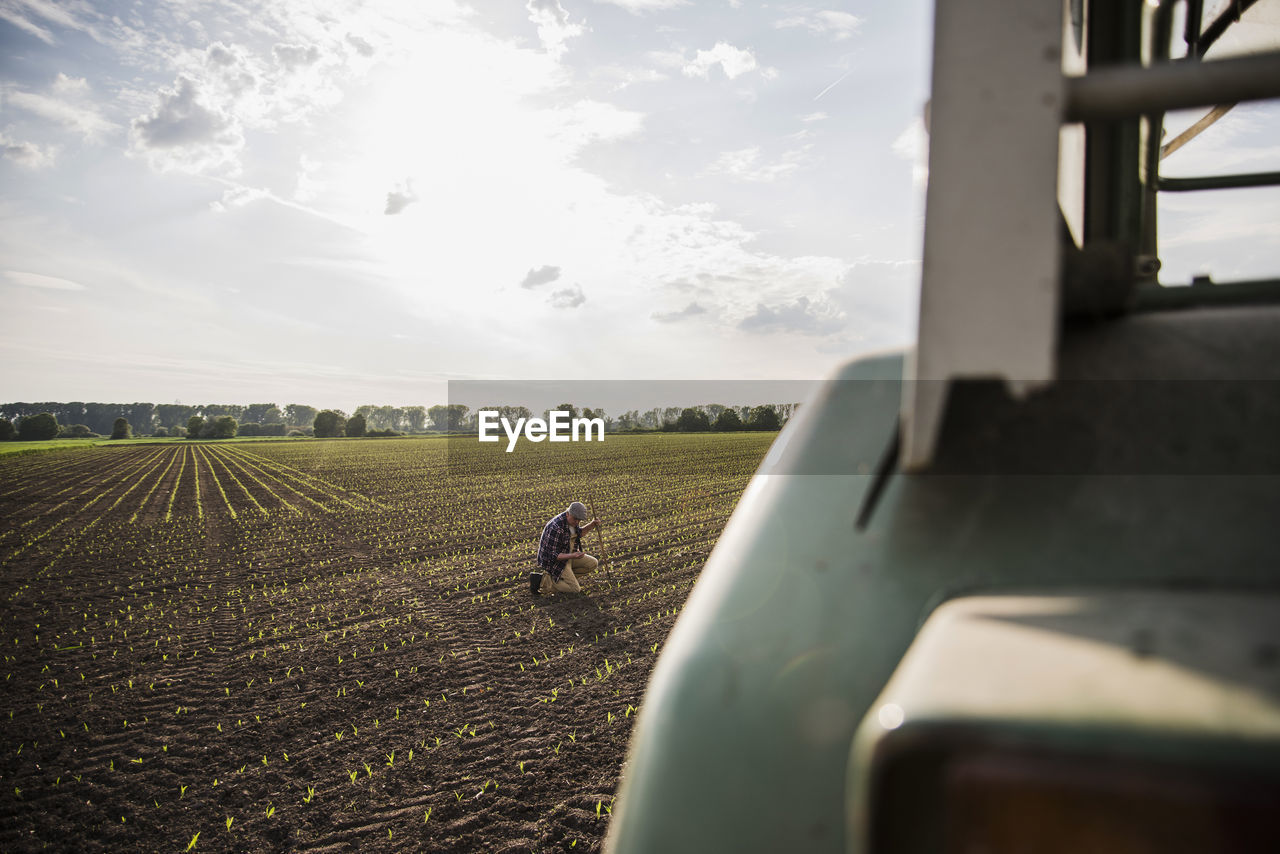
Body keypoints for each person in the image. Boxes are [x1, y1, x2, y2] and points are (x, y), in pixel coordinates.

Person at [535, 501, 601, 594]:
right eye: (575, 519)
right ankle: (544, 582)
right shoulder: (556, 527)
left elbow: (578, 533)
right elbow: (553, 555)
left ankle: (563, 580)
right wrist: (573, 555)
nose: (577, 522)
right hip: (554, 562)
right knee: (575, 589)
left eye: (579, 520)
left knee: (593, 563)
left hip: (568, 556)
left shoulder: (572, 522)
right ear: (567, 514)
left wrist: (592, 525)